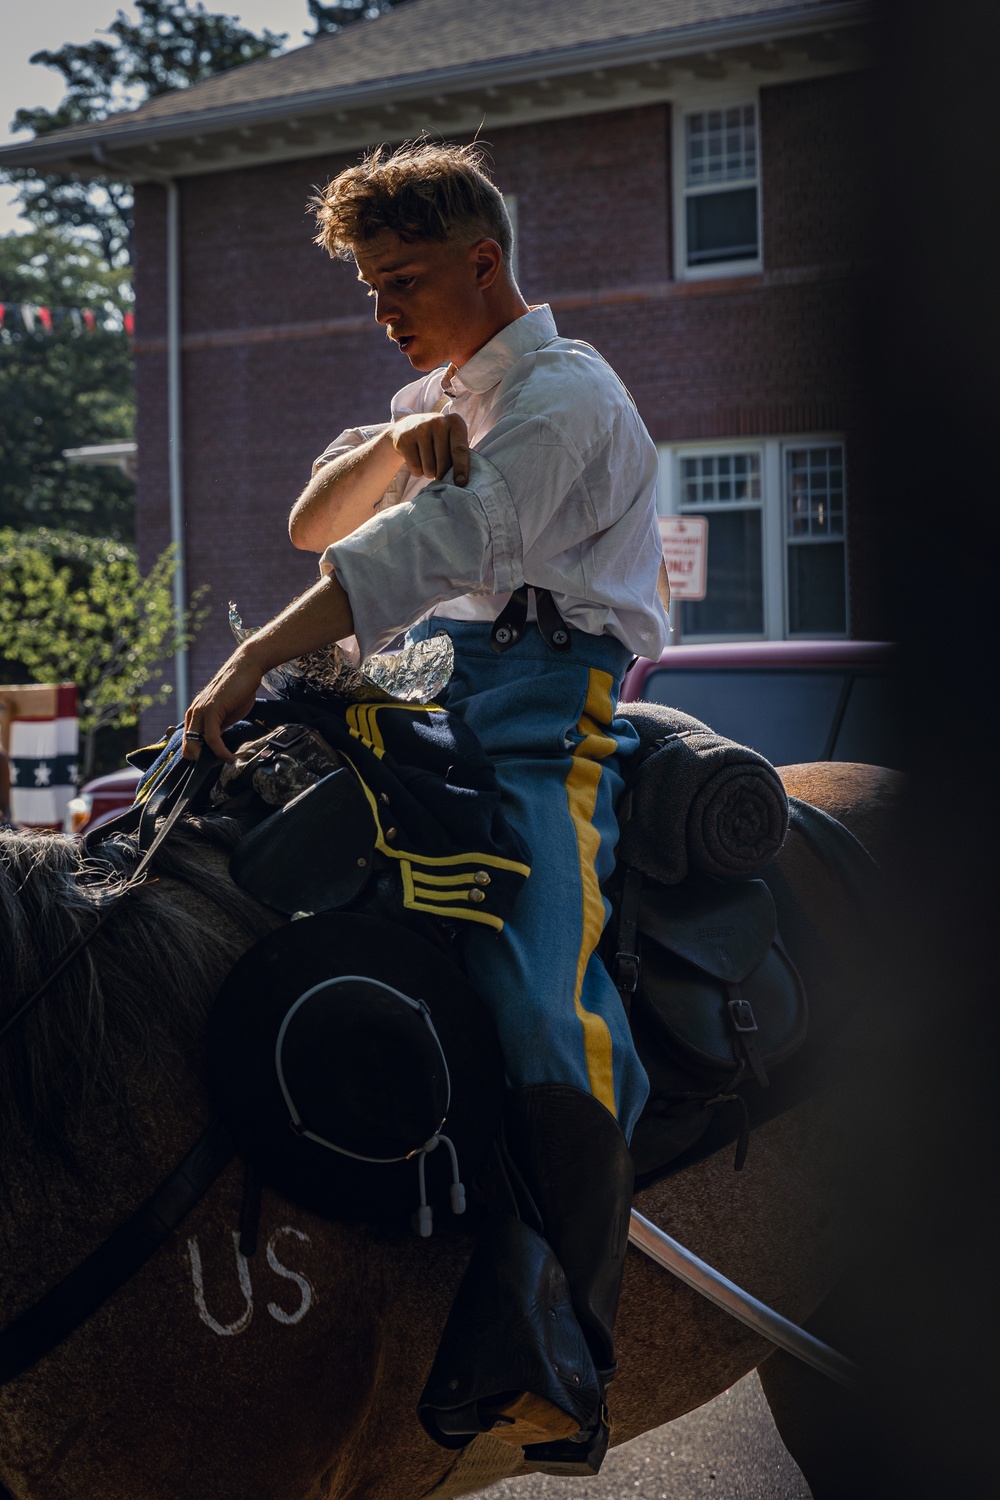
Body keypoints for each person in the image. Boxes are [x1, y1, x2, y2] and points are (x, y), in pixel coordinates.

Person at [182, 142, 670, 1473]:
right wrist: (394, 439)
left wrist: (250, 656)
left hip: (537, 708)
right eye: (367, 287)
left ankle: (562, 1348)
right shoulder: (432, 397)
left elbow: (428, 549)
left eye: (401, 281)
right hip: (421, 693)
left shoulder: (567, 395)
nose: (382, 308)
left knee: (538, 996)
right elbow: (310, 521)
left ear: (483, 263)